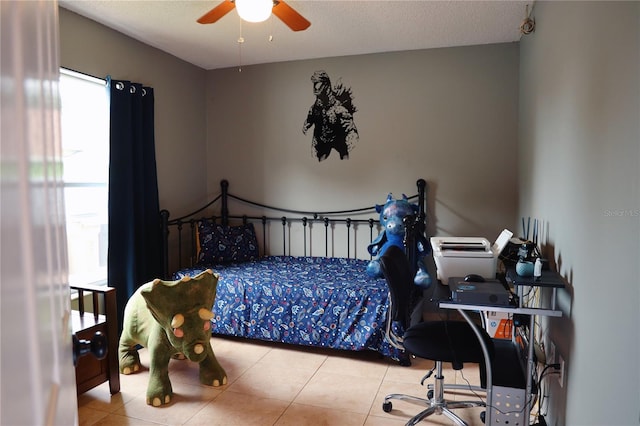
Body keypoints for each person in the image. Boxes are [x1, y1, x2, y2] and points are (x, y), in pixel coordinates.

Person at [302, 70, 359, 161]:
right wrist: (307, 124)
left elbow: (351, 131)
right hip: (322, 139)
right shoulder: (315, 108)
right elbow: (310, 118)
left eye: (318, 83)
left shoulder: (339, 109)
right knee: (320, 159)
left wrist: (350, 133)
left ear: (325, 85)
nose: (315, 88)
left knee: (345, 155)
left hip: (339, 138)